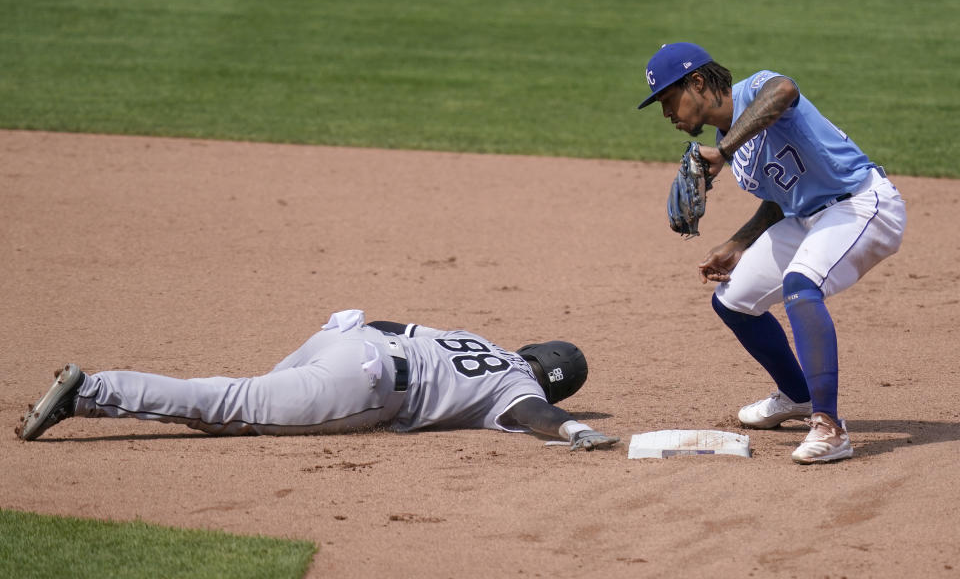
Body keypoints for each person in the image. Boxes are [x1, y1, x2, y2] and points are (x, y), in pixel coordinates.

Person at [637, 42, 906, 464]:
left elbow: (784, 92)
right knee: (733, 302)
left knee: (801, 283)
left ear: (697, 82)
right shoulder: (728, 141)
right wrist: (738, 242)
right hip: (807, 219)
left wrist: (723, 154)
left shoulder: (757, 88)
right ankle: (798, 396)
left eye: (668, 99)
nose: (667, 113)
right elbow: (781, 197)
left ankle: (830, 428)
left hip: (860, 203)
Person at [15, 309, 619, 451]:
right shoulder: (523, 391)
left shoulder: (481, 344)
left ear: (532, 349)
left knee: (249, 398)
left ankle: (94, 392)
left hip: (347, 336)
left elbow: (392, 322)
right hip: (365, 380)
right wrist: (570, 428)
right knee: (227, 407)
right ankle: (91, 392)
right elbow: (532, 416)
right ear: (552, 383)